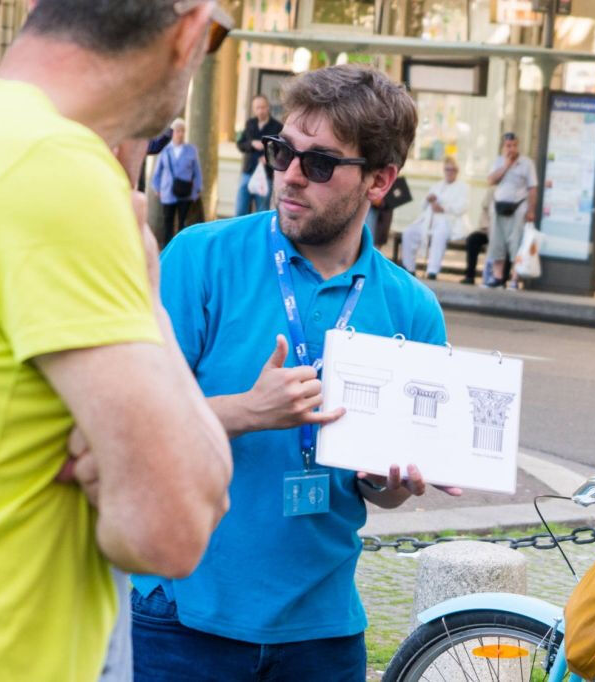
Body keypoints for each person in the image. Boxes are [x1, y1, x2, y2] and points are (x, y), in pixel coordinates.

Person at [0, 2, 234, 680]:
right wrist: (147, 298)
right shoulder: (56, 169)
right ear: (188, 32)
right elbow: (171, 528)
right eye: (215, 37)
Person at [130, 64, 460, 681]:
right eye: (283, 152)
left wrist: (389, 479)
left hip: (323, 634)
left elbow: (381, 492)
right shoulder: (200, 258)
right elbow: (129, 431)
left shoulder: (412, 308)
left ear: (380, 181)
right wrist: (246, 411)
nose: (289, 176)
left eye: (320, 163)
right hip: (180, 618)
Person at [401, 156, 469, 279]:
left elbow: (462, 207)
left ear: (456, 171)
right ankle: (409, 268)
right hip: (429, 220)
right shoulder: (437, 185)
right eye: (447, 169)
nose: (449, 172)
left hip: (448, 221)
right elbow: (422, 206)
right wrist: (428, 199)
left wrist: (444, 208)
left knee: (439, 234)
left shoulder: (462, 187)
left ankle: (432, 271)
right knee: (409, 232)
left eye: (452, 169)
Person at [486, 131, 537, 288]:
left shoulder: (527, 163)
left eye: (514, 145)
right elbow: (490, 180)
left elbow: (532, 188)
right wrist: (506, 166)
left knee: (516, 243)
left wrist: (531, 210)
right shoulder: (498, 162)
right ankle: (497, 276)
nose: (512, 149)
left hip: (518, 207)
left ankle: (514, 278)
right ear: (503, 147)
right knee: (496, 243)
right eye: (508, 146)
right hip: (499, 206)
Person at [152, 117, 202, 241]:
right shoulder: (165, 150)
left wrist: (197, 190)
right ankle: (167, 246)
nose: (180, 134)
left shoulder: (191, 150)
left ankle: (181, 247)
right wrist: (157, 187)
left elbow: (197, 172)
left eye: (182, 131)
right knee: (168, 222)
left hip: (186, 192)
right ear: (172, 132)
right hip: (168, 191)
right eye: (177, 131)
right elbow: (157, 171)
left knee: (183, 223)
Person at [235, 93, 283, 215]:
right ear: (253, 109)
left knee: (261, 211)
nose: (260, 110)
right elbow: (240, 144)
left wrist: (268, 158)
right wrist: (251, 143)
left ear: (268, 107)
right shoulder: (250, 123)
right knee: (240, 210)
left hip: (265, 175)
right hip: (248, 172)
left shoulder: (277, 127)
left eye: (263, 107)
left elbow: (282, 150)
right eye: (257, 108)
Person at [459, 187, 494, 285]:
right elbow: (484, 212)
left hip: (504, 234)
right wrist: (487, 228)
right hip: (488, 230)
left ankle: (499, 278)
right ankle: (470, 275)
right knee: (472, 239)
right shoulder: (492, 190)